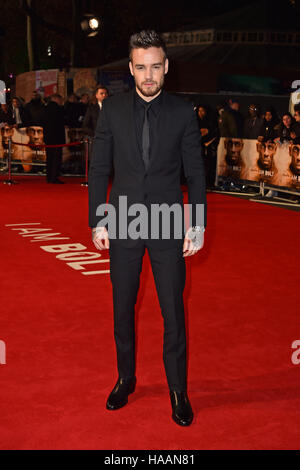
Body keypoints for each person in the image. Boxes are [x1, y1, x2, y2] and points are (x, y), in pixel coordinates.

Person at [88, 30, 207, 427]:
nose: (149, 75)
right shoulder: (113, 110)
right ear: (131, 69)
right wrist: (98, 219)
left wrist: (198, 223)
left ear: (166, 66)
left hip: (168, 221)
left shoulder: (182, 112)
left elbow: (196, 172)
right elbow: (100, 167)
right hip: (122, 220)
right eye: (141, 67)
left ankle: (178, 389)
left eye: (156, 66)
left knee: (173, 310)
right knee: (123, 307)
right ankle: (125, 378)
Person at [42, 94, 65, 184]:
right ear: (56, 99)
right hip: (56, 138)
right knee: (56, 158)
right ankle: (54, 177)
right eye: (60, 100)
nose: (61, 102)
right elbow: (61, 122)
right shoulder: (58, 109)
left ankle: (49, 177)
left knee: (49, 158)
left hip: (48, 137)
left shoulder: (46, 108)